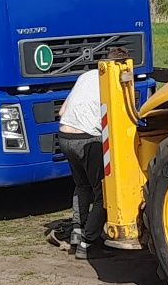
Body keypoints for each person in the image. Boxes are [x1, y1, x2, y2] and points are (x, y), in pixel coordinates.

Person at [55, 47, 130, 260]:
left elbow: (62, 111)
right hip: (88, 140)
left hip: (65, 135)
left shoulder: (86, 75)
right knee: (102, 193)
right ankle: (88, 243)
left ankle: (77, 234)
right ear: (122, 65)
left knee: (82, 185)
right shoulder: (114, 79)